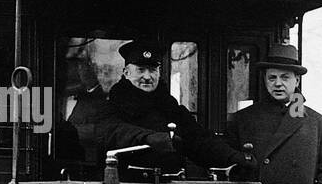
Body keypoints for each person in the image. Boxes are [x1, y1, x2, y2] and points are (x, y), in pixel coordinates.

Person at [94, 40, 243, 173]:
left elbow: (199, 140)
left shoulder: (170, 107)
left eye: (152, 70)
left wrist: (234, 158)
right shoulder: (111, 105)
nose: (147, 76)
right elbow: (112, 133)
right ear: (126, 73)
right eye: (140, 70)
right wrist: (148, 138)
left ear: (159, 73)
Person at [225, 43, 322, 184]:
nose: (278, 83)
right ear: (265, 80)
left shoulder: (319, 124)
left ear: (296, 80)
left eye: (285, 77)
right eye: (272, 78)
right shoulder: (242, 119)